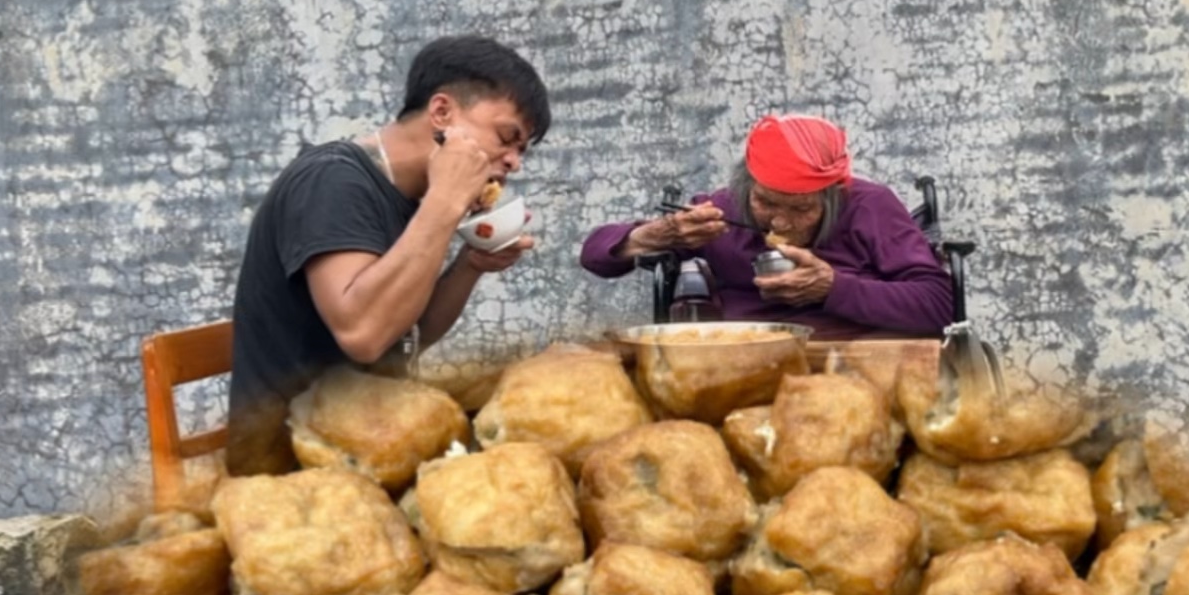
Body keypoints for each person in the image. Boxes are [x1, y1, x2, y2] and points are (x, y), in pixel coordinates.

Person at [227, 35, 551, 475]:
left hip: (374, 446)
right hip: (294, 474)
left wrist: (472, 263)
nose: (514, 162)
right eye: (505, 137)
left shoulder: (411, 199)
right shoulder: (333, 182)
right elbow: (364, 332)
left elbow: (407, 333)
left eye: (521, 150)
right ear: (442, 113)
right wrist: (445, 203)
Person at [580, 114, 954, 339]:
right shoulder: (721, 211)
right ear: (745, 189)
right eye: (766, 203)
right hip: (746, 363)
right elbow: (594, 256)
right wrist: (655, 235)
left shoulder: (870, 207)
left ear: (834, 196)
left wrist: (833, 288)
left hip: (857, 359)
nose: (779, 221)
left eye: (801, 208)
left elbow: (941, 305)